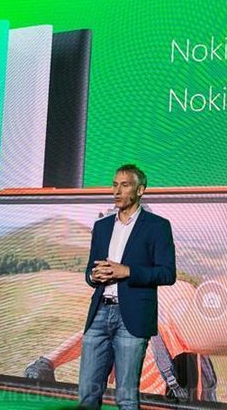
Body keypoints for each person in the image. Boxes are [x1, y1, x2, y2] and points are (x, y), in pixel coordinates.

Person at [78, 163, 176, 409]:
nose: (117, 191)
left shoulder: (157, 226)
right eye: (114, 185)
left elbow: (167, 273)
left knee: (126, 398)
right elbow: (90, 271)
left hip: (132, 318)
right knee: (87, 395)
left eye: (125, 185)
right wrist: (94, 276)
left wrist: (128, 271)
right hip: (99, 313)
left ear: (140, 190)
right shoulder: (102, 227)